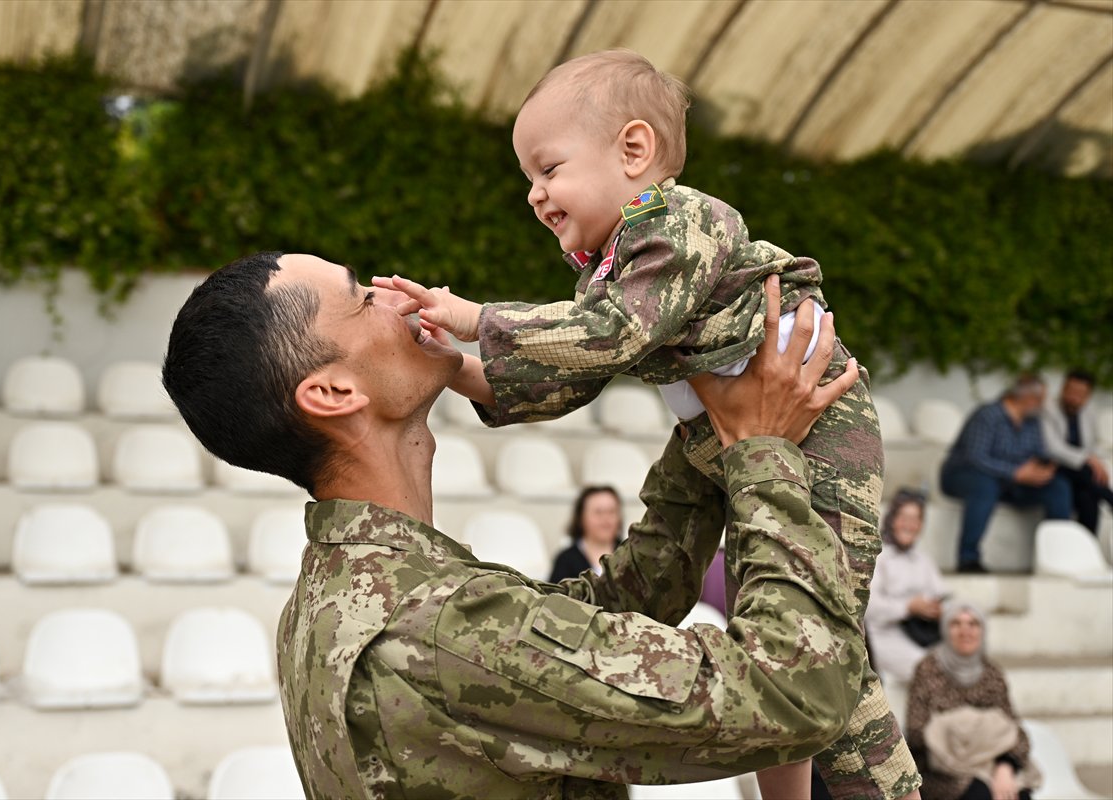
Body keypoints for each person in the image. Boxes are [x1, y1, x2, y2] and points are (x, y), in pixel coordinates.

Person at [373, 49, 917, 799]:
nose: (535, 195)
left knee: (820, 636)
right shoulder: (611, 262)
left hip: (818, 432)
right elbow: (576, 374)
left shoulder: (680, 223)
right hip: (718, 442)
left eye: (548, 168)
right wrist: (457, 367)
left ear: (634, 149)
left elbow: (612, 334)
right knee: (774, 635)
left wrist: (474, 318)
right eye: (529, 179)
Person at [161, 251, 870, 799]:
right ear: (333, 392)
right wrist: (760, 454)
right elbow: (796, 693)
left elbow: (594, 625)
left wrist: (705, 423)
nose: (393, 292)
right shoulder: (432, 625)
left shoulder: (353, 595)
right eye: (360, 298)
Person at [940, 375, 1072, 573]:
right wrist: (1015, 473)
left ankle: (1055, 558)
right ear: (1029, 398)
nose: (1044, 404)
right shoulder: (987, 415)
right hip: (964, 476)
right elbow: (976, 458)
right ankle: (968, 559)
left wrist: (1043, 467)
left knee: (1058, 487)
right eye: (1042, 399)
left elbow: (1037, 451)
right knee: (985, 486)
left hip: (1011, 482)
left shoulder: (1032, 422)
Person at [906, 603, 1038, 800]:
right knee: (980, 794)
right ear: (945, 629)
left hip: (989, 764)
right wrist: (971, 734)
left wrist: (1005, 766)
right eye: (956, 623)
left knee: (1016, 793)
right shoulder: (927, 669)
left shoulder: (992, 673)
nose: (965, 631)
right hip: (941, 771)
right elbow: (916, 732)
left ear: (982, 631)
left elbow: (1015, 732)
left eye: (973, 624)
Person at [865, 490, 948, 683]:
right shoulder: (879, 557)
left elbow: (941, 594)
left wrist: (937, 609)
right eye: (904, 517)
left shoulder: (923, 560)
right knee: (929, 670)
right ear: (892, 519)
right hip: (885, 636)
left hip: (920, 633)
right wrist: (908, 607)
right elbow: (869, 607)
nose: (909, 525)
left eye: (916, 519)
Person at [1041, 369, 1113, 534]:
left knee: (1088, 496)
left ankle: (1087, 548)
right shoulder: (1047, 409)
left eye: (1080, 394)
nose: (1073, 398)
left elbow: (1092, 444)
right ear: (1063, 389)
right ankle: (1110, 498)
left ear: (1088, 395)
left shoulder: (1089, 411)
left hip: (1079, 472)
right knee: (1089, 472)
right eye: (1070, 391)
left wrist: (1096, 460)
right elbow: (1051, 447)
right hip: (1054, 465)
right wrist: (1088, 459)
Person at [549, 485, 623, 582]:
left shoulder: (631, 555)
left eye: (611, 512)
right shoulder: (565, 560)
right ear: (581, 517)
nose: (606, 519)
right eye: (598, 512)